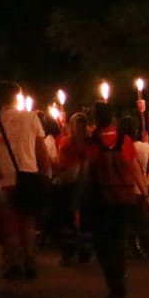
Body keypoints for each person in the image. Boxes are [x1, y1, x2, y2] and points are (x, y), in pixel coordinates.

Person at [0, 81, 51, 280]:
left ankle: (15, 265)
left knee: (8, 223)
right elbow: (41, 149)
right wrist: (45, 173)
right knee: (27, 222)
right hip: (29, 175)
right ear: (18, 96)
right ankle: (29, 260)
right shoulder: (32, 118)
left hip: (3, 180)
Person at [84, 103, 149, 298]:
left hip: (101, 199)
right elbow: (134, 168)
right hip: (124, 196)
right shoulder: (125, 140)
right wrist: (144, 193)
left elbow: (88, 170)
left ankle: (114, 284)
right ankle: (119, 281)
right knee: (118, 240)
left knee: (103, 243)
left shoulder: (93, 142)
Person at [52, 111, 92, 266]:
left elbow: (62, 164)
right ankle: (85, 253)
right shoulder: (90, 142)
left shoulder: (66, 142)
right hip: (87, 184)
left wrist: (55, 165)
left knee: (67, 219)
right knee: (85, 220)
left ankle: (68, 253)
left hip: (69, 184)